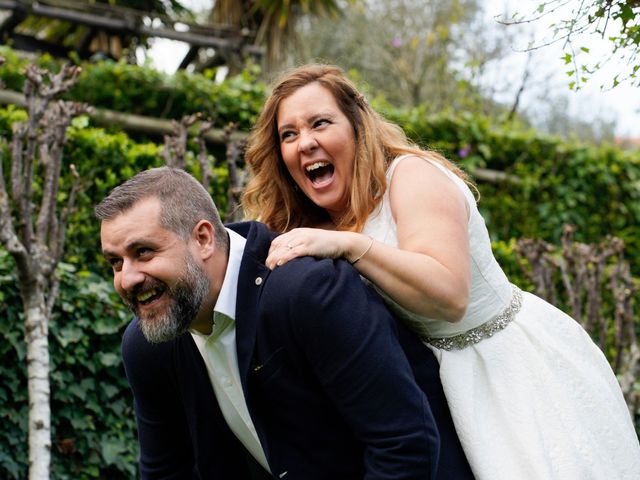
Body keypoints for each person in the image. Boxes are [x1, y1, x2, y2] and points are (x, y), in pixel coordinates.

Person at [241, 64, 640, 479]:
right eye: (289, 134)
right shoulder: (312, 224)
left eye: (320, 123)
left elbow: (449, 296)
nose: (305, 143)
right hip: (426, 388)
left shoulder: (411, 176)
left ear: (358, 123)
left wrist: (352, 245)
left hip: (508, 375)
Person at [96, 166, 474, 479]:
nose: (127, 279)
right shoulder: (147, 346)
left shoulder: (306, 291)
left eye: (143, 252)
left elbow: (405, 444)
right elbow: (167, 473)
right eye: (116, 262)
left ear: (204, 239)